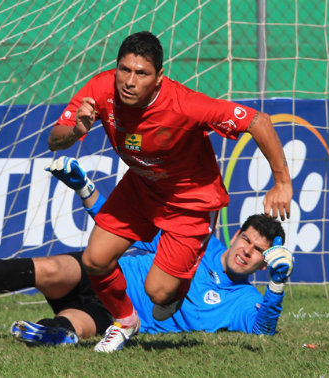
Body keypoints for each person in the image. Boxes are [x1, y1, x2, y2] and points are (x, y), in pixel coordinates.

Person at [47, 31, 293, 351]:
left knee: (159, 294)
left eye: (142, 73)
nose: (130, 81)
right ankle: (124, 321)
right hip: (141, 187)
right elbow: (55, 139)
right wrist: (75, 130)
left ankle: (180, 285)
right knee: (95, 260)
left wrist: (282, 183)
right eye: (124, 69)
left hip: (191, 201)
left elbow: (258, 121)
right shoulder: (100, 88)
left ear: (159, 77)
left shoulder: (186, 105)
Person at [0, 157, 293, 347]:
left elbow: (262, 328)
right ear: (237, 233)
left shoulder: (243, 299)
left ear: (263, 264)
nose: (248, 251)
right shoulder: (197, 242)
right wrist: (84, 188)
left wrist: (277, 286)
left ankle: (46, 332)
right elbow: (122, 230)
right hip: (104, 274)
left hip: (120, 310)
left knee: (81, 324)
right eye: (247, 240)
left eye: (259, 252)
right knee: (53, 267)